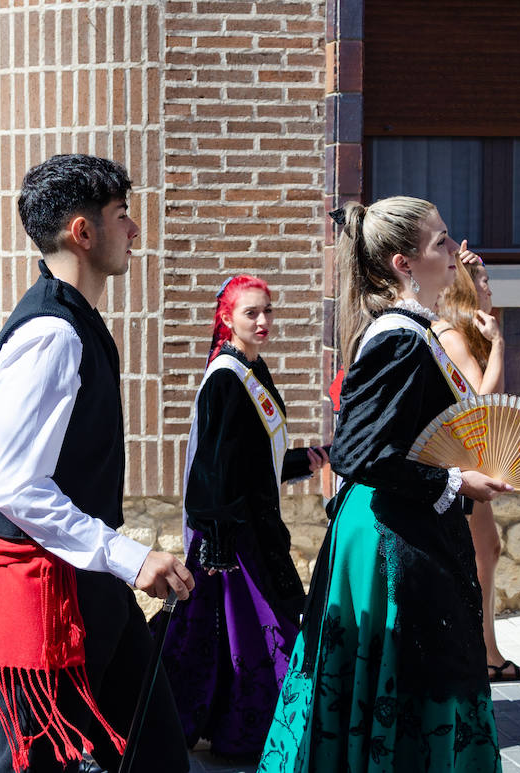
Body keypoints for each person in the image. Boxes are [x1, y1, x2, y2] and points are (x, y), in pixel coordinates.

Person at [260, 197, 508, 772]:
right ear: (403, 263)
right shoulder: (398, 337)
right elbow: (359, 452)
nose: (453, 251)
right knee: (403, 678)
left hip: (406, 523)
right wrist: (454, 481)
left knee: (415, 679)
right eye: (440, 242)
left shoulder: (420, 332)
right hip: (389, 538)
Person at [0, 154, 193, 773]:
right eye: (122, 215)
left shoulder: (75, 321)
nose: (135, 230)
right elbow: (17, 487)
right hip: (40, 594)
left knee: (155, 753)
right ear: (83, 231)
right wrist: (130, 557)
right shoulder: (52, 333)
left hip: (86, 583)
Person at [157, 275, 329, 760]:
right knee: (251, 634)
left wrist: (303, 460)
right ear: (227, 318)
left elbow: (252, 461)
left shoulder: (253, 369)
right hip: (230, 538)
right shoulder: (226, 378)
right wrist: (217, 539)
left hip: (251, 527)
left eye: (268, 310)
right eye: (251, 312)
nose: (263, 320)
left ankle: (252, 730)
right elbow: (211, 467)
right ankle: (259, 734)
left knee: (231, 637)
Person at [434, 251, 520, 683]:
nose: (490, 289)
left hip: (468, 457)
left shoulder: (459, 334)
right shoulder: (452, 336)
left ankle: (487, 652)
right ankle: (481, 655)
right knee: (477, 556)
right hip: (457, 465)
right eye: (484, 281)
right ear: (466, 288)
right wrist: (498, 345)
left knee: (487, 550)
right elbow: (484, 402)